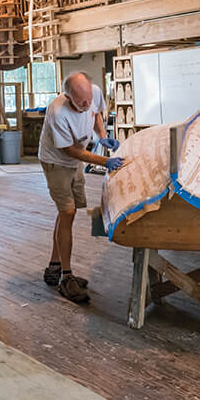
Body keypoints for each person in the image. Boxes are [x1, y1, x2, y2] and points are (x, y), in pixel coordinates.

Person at [37, 71, 124, 304]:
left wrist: (102, 135)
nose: (86, 104)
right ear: (68, 96)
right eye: (80, 102)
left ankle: (54, 267)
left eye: (88, 99)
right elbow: (71, 151)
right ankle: (66, 276)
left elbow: (95, 113)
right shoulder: (57, 112)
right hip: (57, 161)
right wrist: (105, 162)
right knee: (67, 212)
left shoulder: (92, 93)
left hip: (75, 160)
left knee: (68, 212)